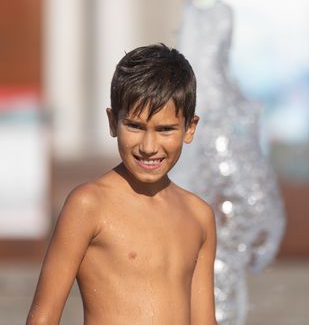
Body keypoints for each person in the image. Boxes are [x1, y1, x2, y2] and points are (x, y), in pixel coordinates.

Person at [26, 43, 217, 325]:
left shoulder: (199, 216)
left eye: (165, 129)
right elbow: (44, 317)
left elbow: (205, 321)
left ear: (190, 128)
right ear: (113, 121)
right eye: (135, 127)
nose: (149, 146)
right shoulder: (90, 204)